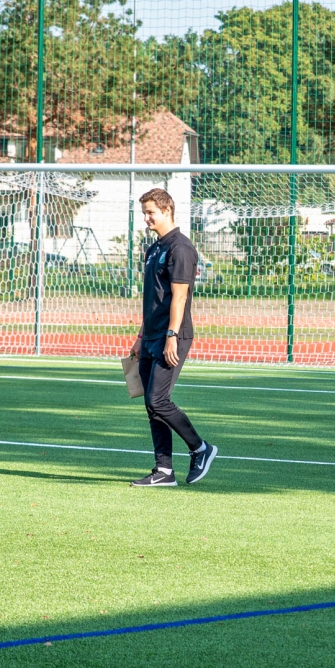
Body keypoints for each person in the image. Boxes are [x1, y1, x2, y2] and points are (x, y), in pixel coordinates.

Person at [129, 188, 218, 487]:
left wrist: (171, 336)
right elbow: (153, 299)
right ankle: (164, 470)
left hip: (172, 336)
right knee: (151, 405)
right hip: (151, 336)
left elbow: (179, 299)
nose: (146, 218)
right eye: (144, 212)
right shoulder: (154, 248)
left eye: (151, 212)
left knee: (159, 399)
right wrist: (142, 336)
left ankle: (201, 448)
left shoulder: (181, 248)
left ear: (167, 211)